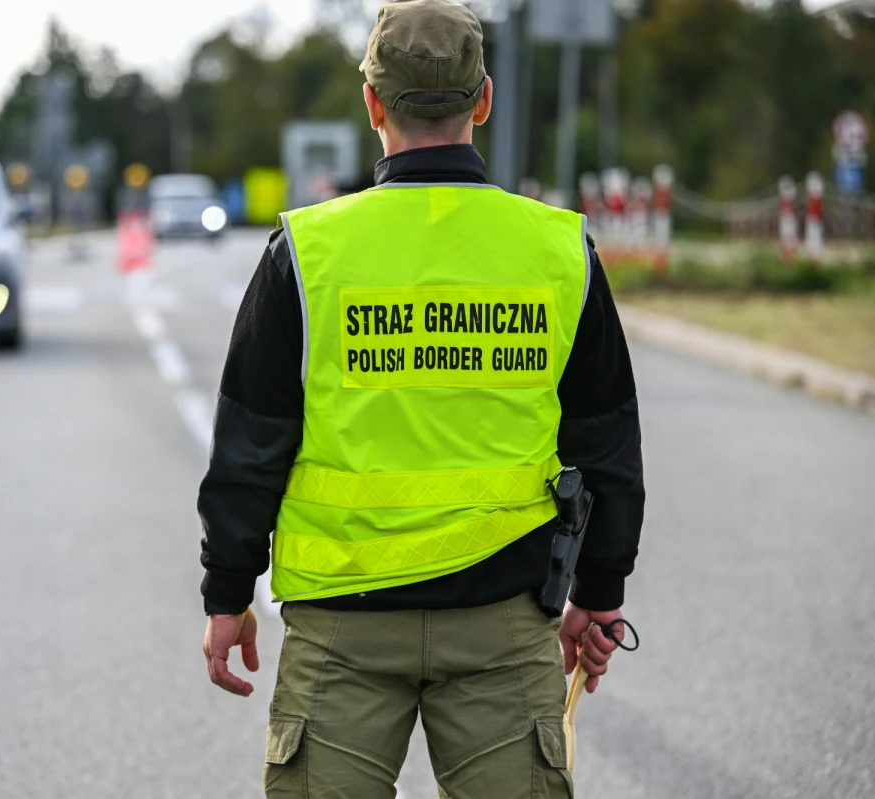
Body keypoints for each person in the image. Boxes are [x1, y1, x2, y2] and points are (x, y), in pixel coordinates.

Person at [197, 1, 645, 796]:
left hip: (341, 627)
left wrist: (229, 592)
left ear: (372, 103)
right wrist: (600, 596)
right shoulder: (558, 250)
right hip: (505, 628)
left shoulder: (306, 253)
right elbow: (607, 442)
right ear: (484, 100)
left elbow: (249, 446)